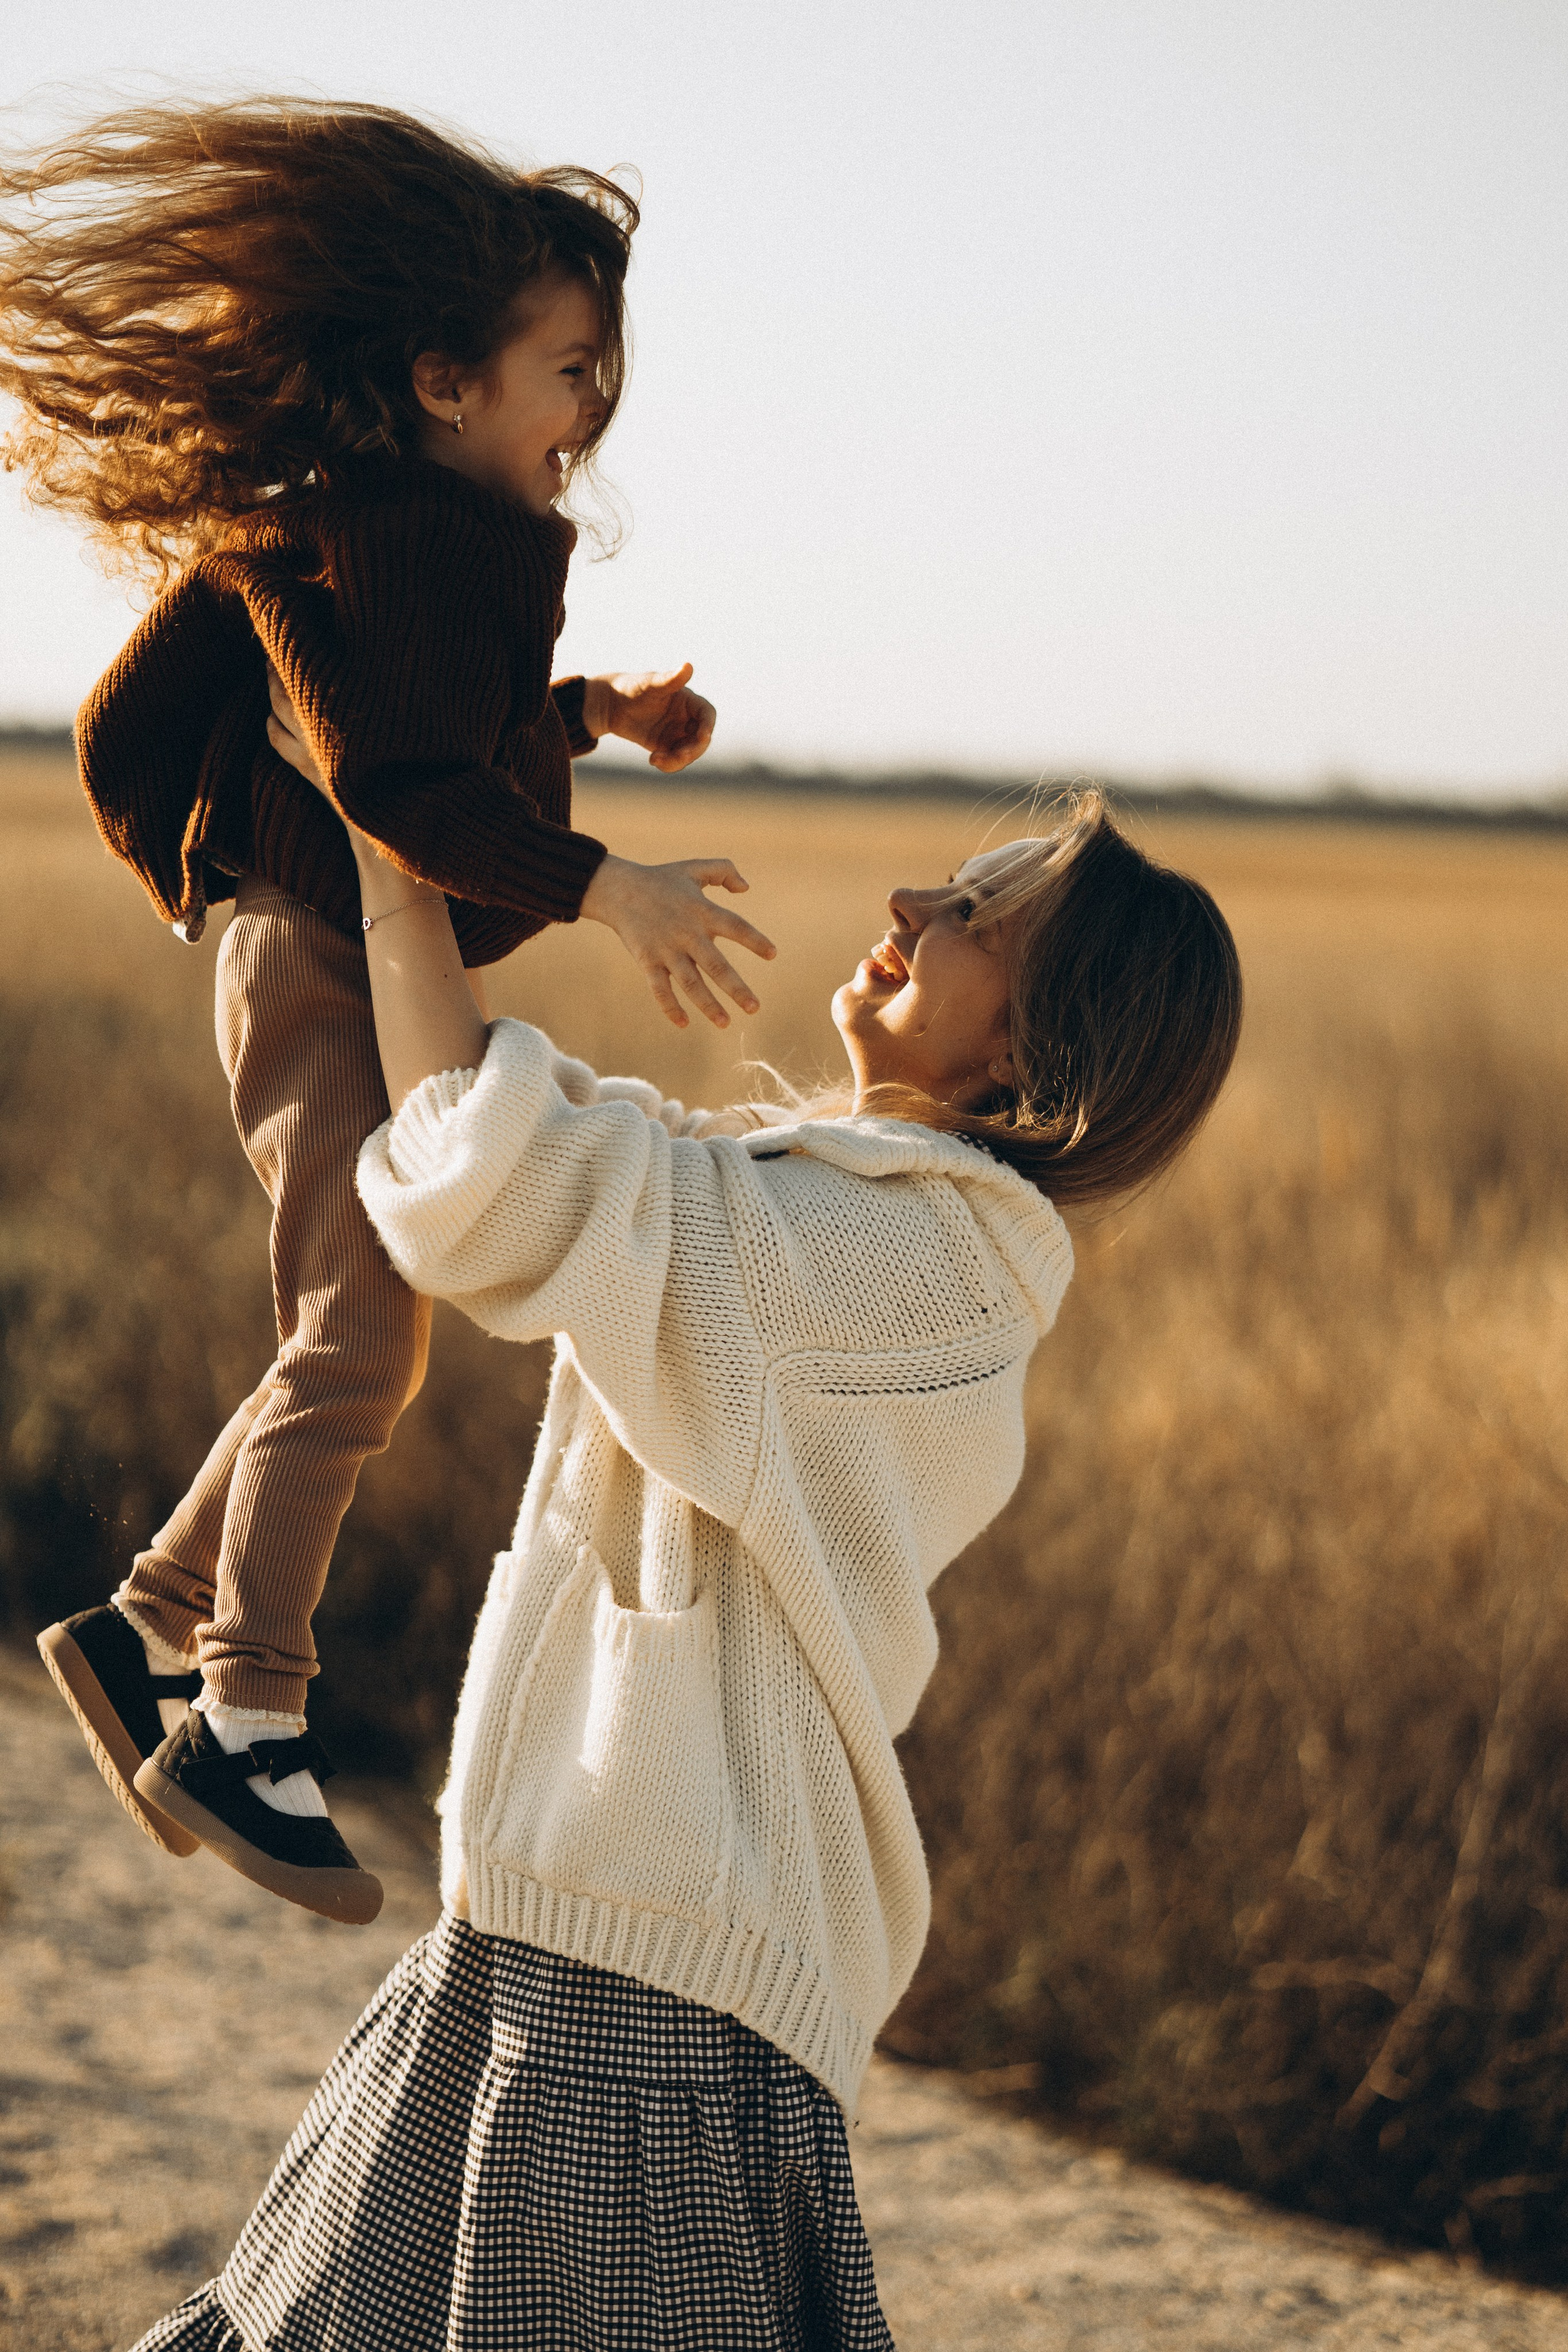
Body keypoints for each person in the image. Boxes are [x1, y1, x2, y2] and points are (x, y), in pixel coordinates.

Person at [129, 691, 1243, 2350]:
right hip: (585, 1929)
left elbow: (497, 1181)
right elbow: (515, 1153)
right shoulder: (833, 1203)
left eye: (977, 920)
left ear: (1030, 1044)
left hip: (656, 1989)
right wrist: (413, 828)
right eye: (949, 881)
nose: (909, 908)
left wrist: (395, 834)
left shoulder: (915, 1271)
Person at [2, 100, 775, 1921]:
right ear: (447, 378)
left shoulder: (414, 522)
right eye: (570, 369)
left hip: (314, 950)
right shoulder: (415, 526)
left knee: (353, 1334)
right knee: (357, 1341)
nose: (594, 411)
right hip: (314, 948)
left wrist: (594, 713)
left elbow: (434, 715)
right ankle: (244, 1718)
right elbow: (396, 776)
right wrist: (611, 887)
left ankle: (146, 1634)